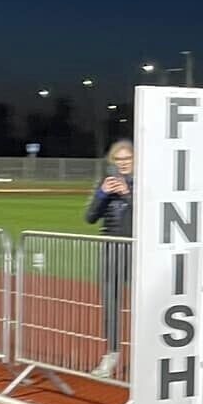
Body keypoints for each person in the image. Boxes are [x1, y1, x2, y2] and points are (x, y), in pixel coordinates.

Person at [84, 141, 134, 379]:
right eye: (118, 159)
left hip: (137, 251)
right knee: (110, 305)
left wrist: (128, 195)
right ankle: (111, 355)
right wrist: (102, 193)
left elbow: (151, 216)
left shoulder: (147, 184)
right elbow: (90, 217)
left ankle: (147, 355)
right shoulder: (106, 183)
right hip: (111, 250)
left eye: (127, 159)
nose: (123, 163)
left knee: (144, 305)